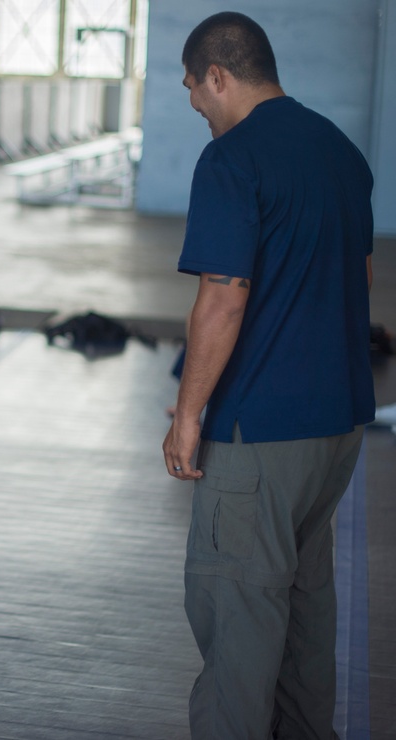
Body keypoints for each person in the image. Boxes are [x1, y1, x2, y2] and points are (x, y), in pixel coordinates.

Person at [161, 12, 374, 739]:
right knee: (306, 611)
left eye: (195, 91)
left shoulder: (232, 159)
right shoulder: (340, 151)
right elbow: (356, 275)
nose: (196, 108)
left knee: (239, 619)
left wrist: (189, 413)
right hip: (339, 425)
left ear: (218, 76)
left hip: (261, 436)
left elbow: (224, 296)